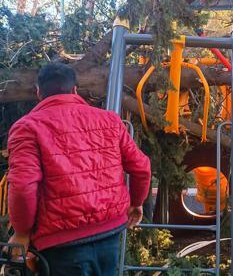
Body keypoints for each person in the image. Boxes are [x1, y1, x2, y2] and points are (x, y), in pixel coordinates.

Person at [7, 63, 151, 276]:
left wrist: (21, 232)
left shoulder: (27, 127)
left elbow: (22, 186)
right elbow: (141, 167)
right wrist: (137, 202)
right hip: (110, 230)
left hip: (61, 243)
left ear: (39, 93)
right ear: (74, 90)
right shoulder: (110, 120)